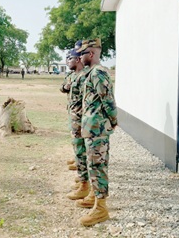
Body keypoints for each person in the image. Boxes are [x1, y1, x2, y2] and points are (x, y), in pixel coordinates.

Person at [76, 38, 118, 226]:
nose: (80, 57)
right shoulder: (91, 72)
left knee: (98, 166)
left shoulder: (99, 72)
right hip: (90, 127)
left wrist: (113, 120)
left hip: (97, 128)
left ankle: (101, 209)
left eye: (83, 53)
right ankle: (94, 196)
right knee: (92, 165)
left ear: (91, 54)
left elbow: (107, 99)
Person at [65, 46, 92, 202]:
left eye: (72, 58)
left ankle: (85, 185)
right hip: (75, 118)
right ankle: (84, 182)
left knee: (82, 152)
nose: (69, 61)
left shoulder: (84, 76)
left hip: (81, 119)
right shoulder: (75, 76)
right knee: (79, 151)